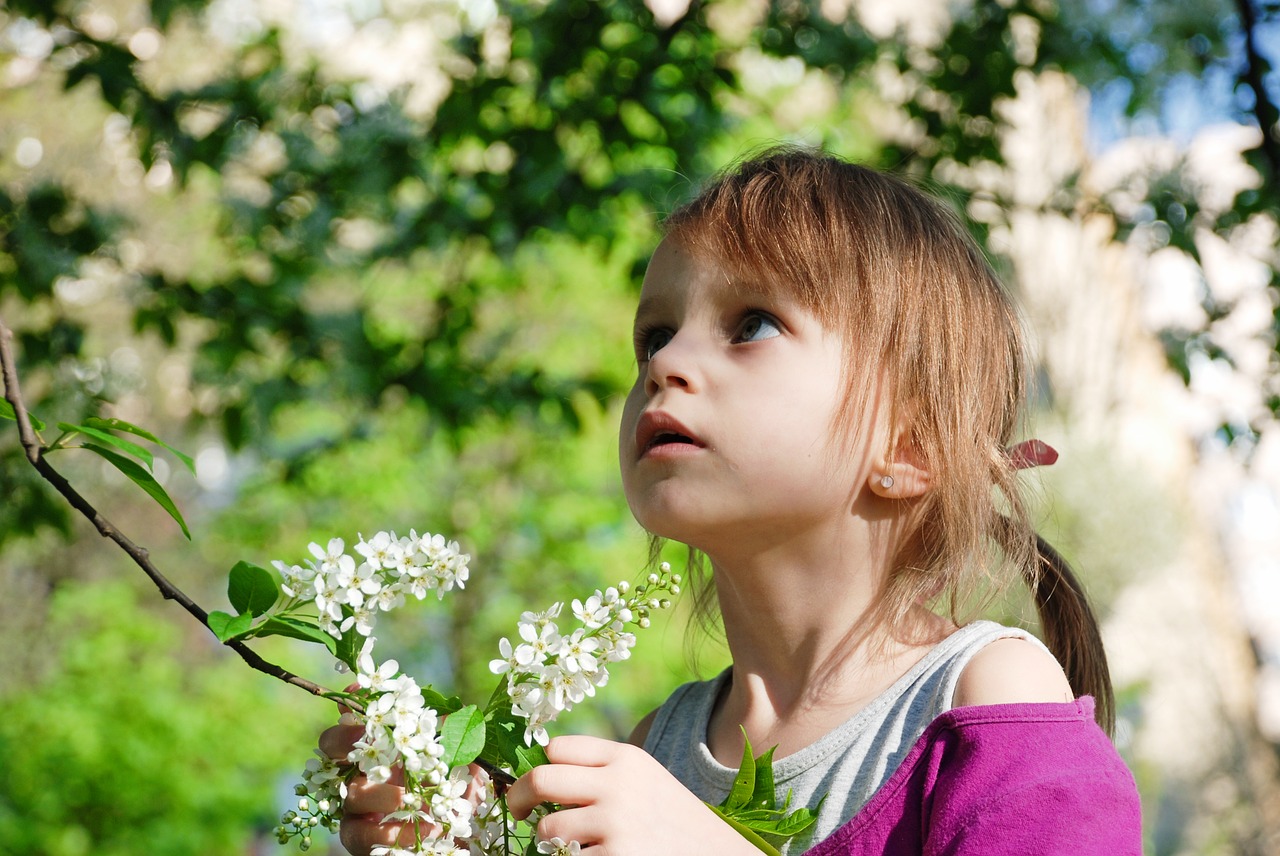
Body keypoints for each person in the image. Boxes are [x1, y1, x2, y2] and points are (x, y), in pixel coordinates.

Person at [322, 148, 1143, 855]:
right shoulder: (659, 747)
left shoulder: (985, 699)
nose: (666, 362)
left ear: (910, 449)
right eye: (655, 333)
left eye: (751, 324)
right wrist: (468, 835)